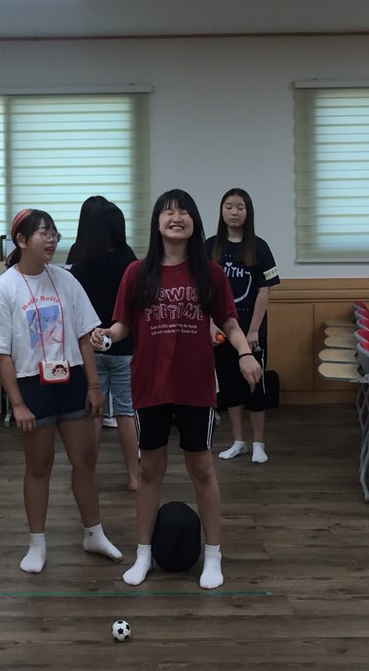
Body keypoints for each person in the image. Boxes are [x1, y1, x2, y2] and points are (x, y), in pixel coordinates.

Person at [93, 189, 261, 590]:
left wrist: (244, 353)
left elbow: (230, 322)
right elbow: (122, 325)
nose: (176, 217)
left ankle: (213, 555)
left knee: (201, 468)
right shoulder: (136, 273)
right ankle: (144, 553)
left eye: (184, 211)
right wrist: (105, 335)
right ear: (157, 223)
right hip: (149, 385)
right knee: (149, 470)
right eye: (168, 211)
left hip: (195, 386)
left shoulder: (210, 272)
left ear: (194, 222)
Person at [0, 208, 122, 574]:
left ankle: (94, 533)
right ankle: (37, 542)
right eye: (43, 233)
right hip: (32, 384)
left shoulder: (66, 279)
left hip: (72, 379)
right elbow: (0, 353)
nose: (52, 240)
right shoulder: (4, 287)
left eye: (54, 233)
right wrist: (17, 404)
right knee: (39, 466)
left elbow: (85, 336)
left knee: (85, 461)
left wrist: (94, 386)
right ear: (22, 240)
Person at [68, 196, 140, 491]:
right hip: (124, 344)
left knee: (93, 411)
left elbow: (72, 305)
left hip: (89, 346)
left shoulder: (78, 256)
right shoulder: (128, 257)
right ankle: (134, 477)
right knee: (126, 412)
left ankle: (88, 475)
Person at [206, 188, 281, 463]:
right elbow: (204, 291)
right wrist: (211, 324)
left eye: (240, 207)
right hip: (220, 331)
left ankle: (259, 443)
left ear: (248, 212)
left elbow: (264, 290)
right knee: (229, 387)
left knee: (254, 387)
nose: (234, 212)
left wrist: (253, 331)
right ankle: (239, 442)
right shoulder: (210, 246)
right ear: (221, 211)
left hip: (252, 330)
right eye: (228, 206)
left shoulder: (259, 246)